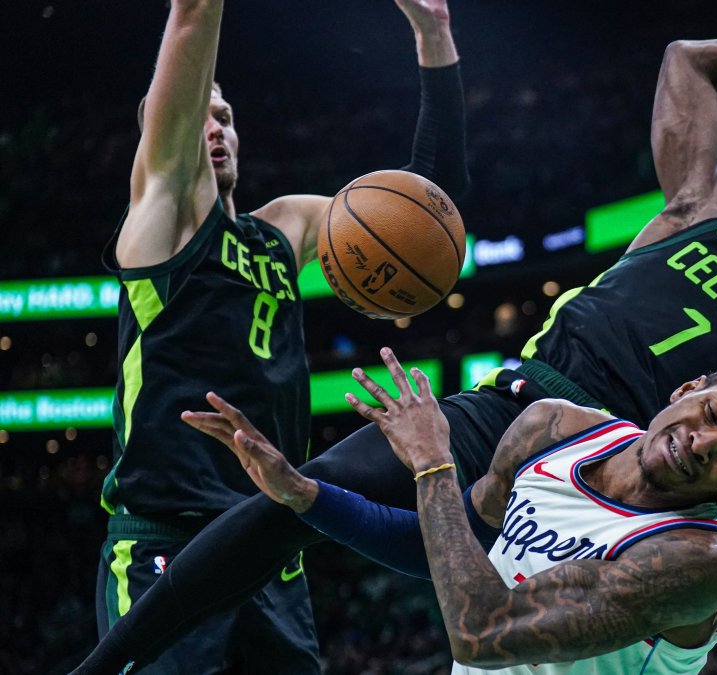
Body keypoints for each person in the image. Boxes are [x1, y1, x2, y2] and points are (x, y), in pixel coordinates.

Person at [73, 37, 717, 672]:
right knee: (289, 501)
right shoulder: (706, 205)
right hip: (511, 405)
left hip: (608, 466)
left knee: (501, 631)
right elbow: (688, 61)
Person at [92, 0, 468, 671]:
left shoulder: (284, 228)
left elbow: (425, 207)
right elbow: (192, 16)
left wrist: (433, 34)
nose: (215, 127)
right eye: (196, 113)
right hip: (167, 539)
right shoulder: (159, 224)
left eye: (227, 117)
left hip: (272, 541)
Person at [203, 351, 717, 673]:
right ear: (686, 393)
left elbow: (479, 634)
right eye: (711, 414)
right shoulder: (556, 426)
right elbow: (445, 547)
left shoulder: (694, 561)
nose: (703, 443)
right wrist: (307, 497)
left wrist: (434, 464)